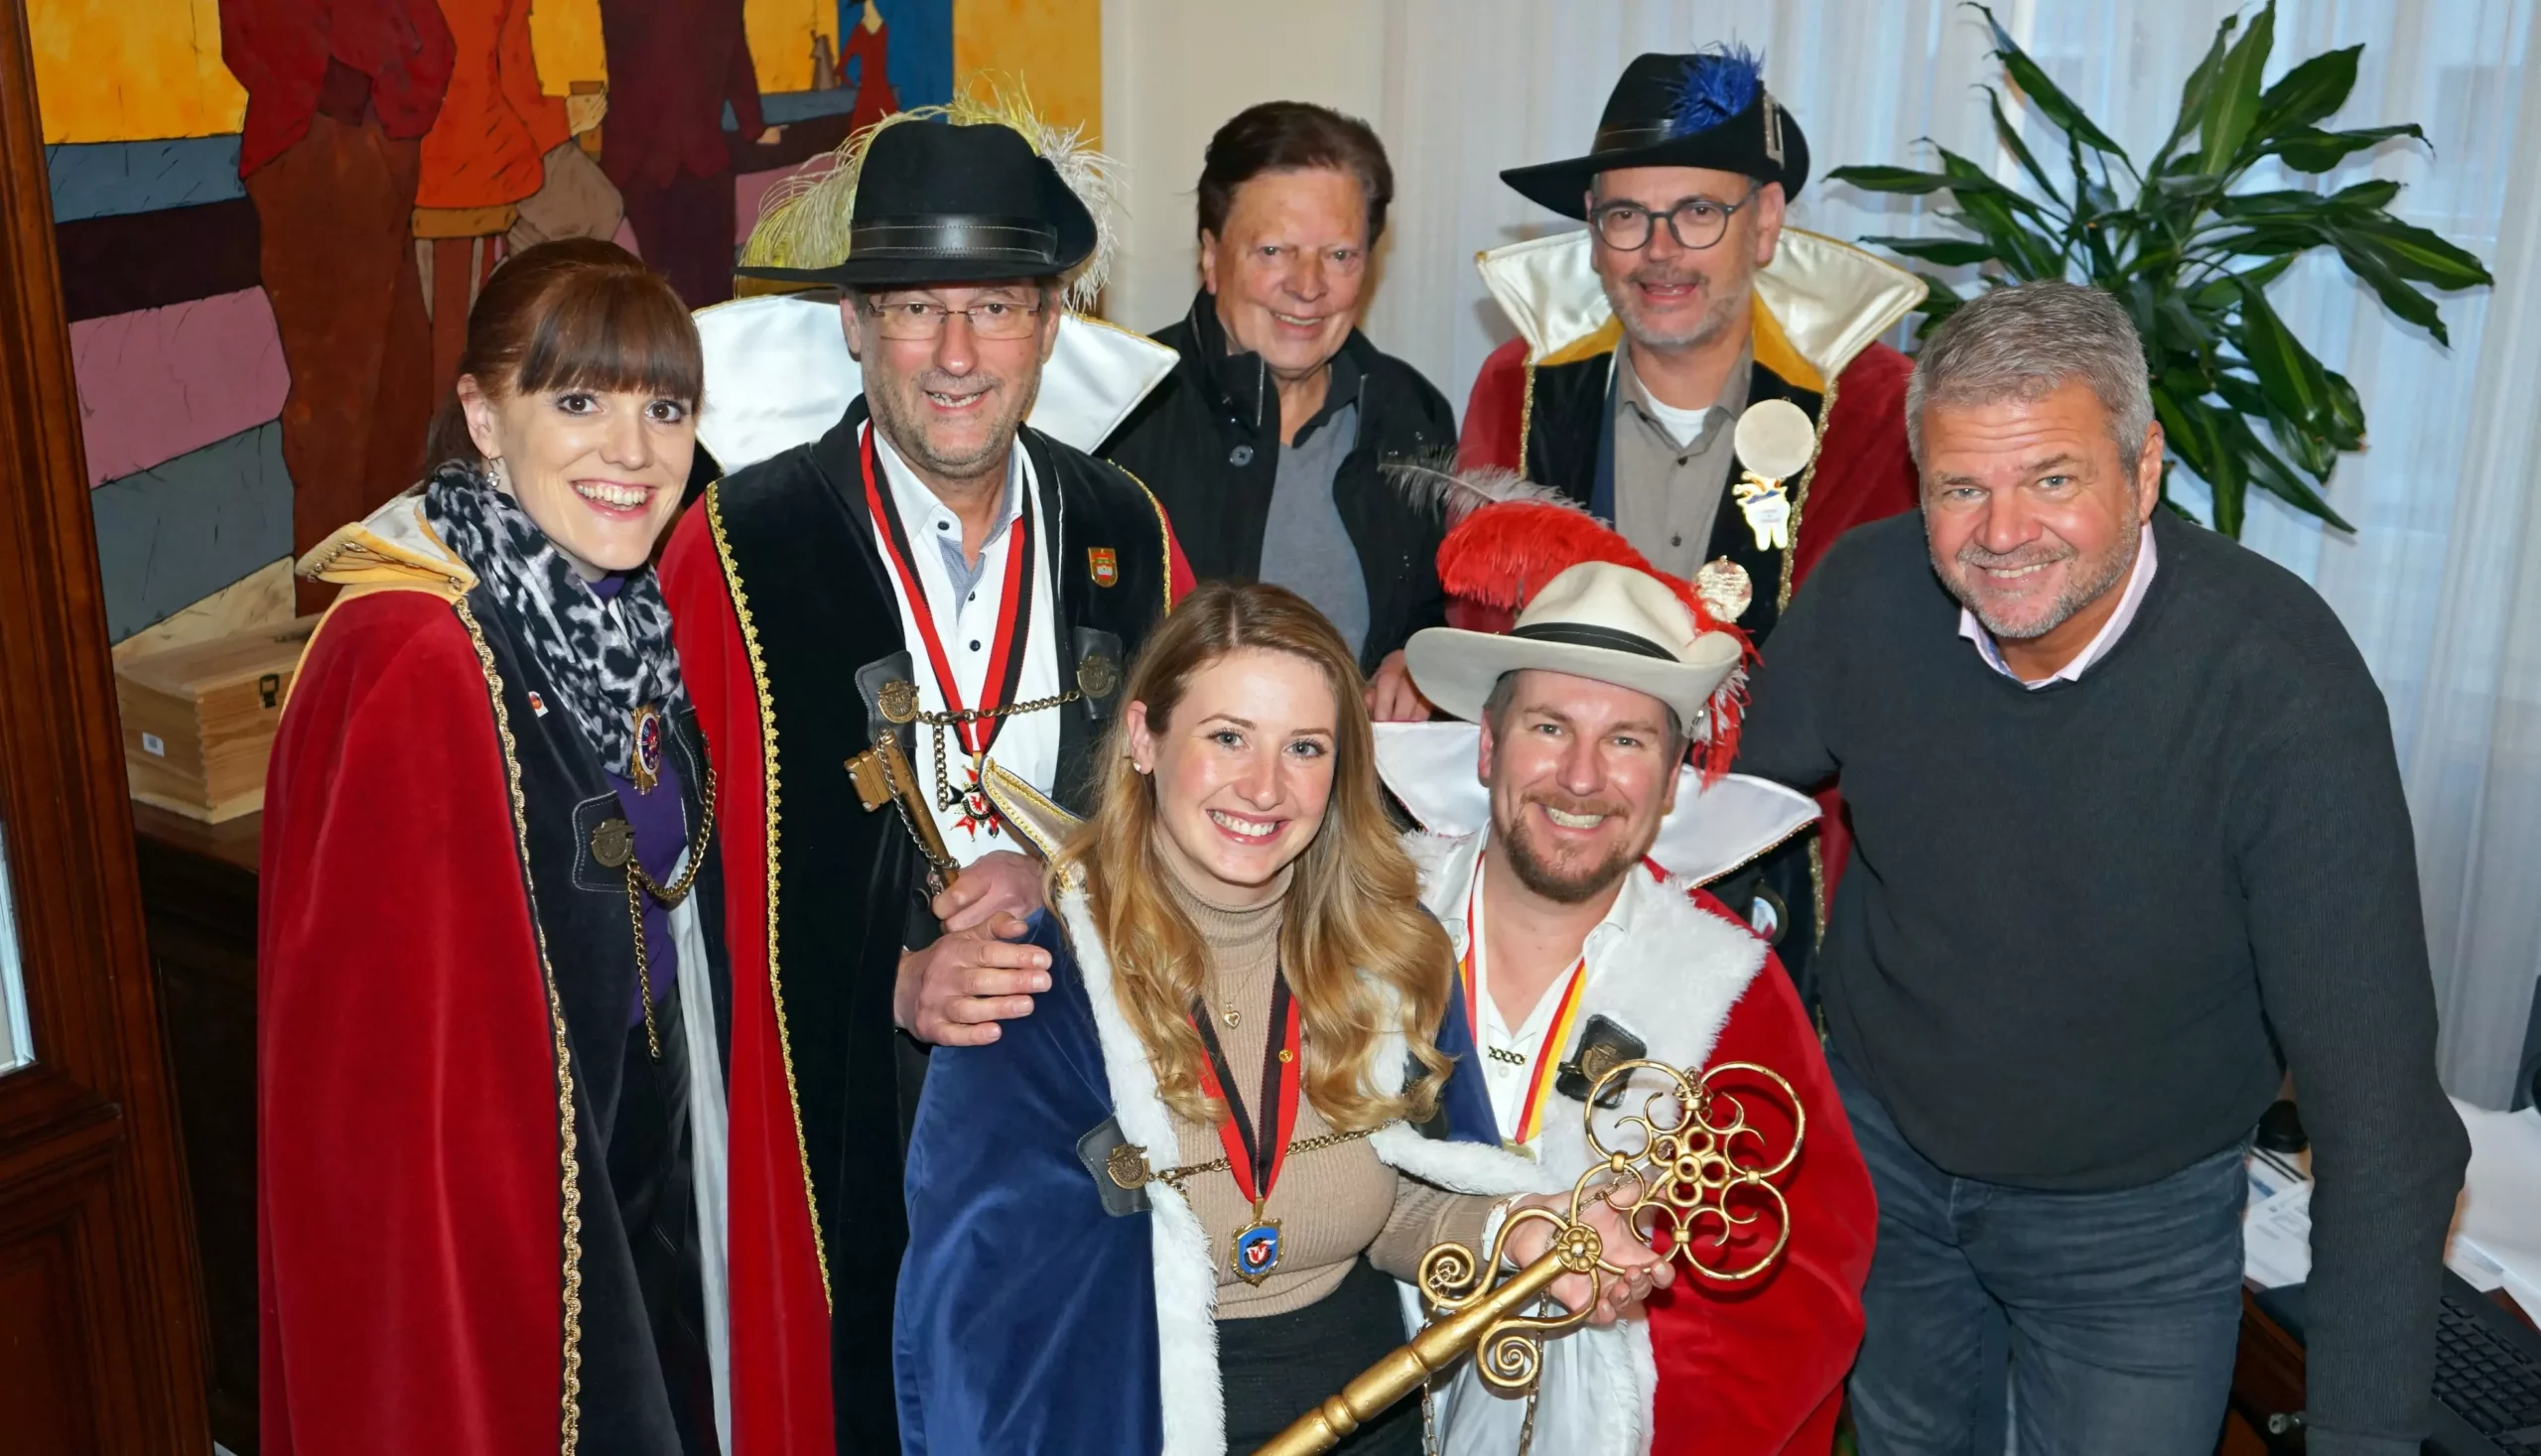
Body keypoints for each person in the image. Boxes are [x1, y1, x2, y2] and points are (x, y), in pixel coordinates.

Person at [1734, 280, 2468, 1455]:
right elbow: (1730, 815)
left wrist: (2362, 1437)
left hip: (2134, 1227)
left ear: (2145, 469)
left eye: (2052, 479)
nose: (2001, 532)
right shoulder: (1867, 592)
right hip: (1887, 1172)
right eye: (1960, 488)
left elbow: (2379, 1116)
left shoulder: (2278, 684)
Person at [656, 111, 1194, 1452]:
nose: (956, 355)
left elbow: (1204, 818)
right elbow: (681, 901)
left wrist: (1067, 879)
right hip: (849, 1125)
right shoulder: (737, 548)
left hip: (1082, 1110)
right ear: (853, 323)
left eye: (995, 307)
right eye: (914, 309)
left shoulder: (1128, 529)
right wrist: (884, 984)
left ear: (1051, 321)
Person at [896, 582, 1672, 1455]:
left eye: (1304, 747)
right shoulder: (1035, 986)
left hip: (1376, 1421)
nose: (1264, 787)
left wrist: (1520, 1227)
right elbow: (975, 1331)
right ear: (1145, 737)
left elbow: (1394, 1200)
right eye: (1228, 736)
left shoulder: (1390, 953)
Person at [262, 239, 818, 1453]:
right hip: (521, 1245)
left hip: (652, 1177)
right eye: (577, 403)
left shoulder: (628, 618)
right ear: (482, 417)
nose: (634, 452)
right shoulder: (414, 653)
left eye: (663, 409)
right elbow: (392, 1126)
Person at [1382, 514, 1877, 1452]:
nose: (1581, 777)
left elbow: (1785, 1297)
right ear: (1487, 746)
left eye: (1627, 741)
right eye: (1549, 727)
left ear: (1671, 776)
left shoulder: (1727, 990)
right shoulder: (1358, 922)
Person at [1457, 46, 1925, 993]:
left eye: (1699, 213)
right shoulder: (1520, 392)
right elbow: (1481, 627)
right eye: (1628, 216)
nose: (1659, 251)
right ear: (1594, 232)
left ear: (1766, 222)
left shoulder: (1875, 412)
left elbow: (1895, 676)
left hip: (1789, 887)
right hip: (1555, 865)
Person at [1104, 101, 1457, 719]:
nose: (1308, 285)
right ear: (1210, 256)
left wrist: (1419, 658)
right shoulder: (1122, 410)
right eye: (1273, 251)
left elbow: (1437, 606)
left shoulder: (1412, 415)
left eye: (1340, 255)